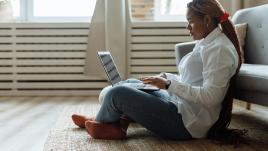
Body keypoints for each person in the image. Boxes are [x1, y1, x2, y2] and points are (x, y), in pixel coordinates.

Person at [72, 0, 244, 142]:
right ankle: (113, 122)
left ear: (207, 20)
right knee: (129, 83)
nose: (188, 27)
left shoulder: (219, 49)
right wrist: (165, 78)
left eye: (190, 21)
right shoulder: (208, 42)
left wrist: (169, 84)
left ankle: (104, 123)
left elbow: (211, 97)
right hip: (180, 106)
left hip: (187, 124)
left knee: (116, 93)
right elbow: (192, 79)